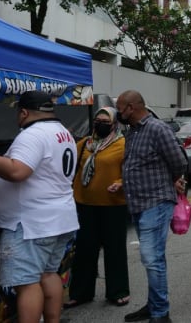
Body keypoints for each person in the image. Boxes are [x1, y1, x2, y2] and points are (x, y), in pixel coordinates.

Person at [0, 91, 79, 323]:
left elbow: (17, 171)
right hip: (58, 218)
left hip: (30, 224)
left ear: (24, 112)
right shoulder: (63, 133)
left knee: (27, 283)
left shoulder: (33, 135)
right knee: (49, 274)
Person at [115, 90, 187, 323]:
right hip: (138, 204)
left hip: (155, 202)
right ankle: (155, 304)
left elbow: (179, 161)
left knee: (151, 258)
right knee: (154, 258)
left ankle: (160, 314)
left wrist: (170, 180)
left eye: (120, 108)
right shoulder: (133, 131)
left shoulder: (157, 129)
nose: (118, 112)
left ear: (131, 107)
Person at [65, 107, 130, 308]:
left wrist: (120, 182)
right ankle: (81, 293)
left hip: (113, 205)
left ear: (114, 124)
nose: (100, 124)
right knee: (84, 250)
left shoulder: (123, 144)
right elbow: (66, 164)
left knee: (115, 249)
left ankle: (118, 291)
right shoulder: (85, 144)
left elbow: (131, 170)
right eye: (97, 120)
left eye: (105, 121)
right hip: (85, 204)